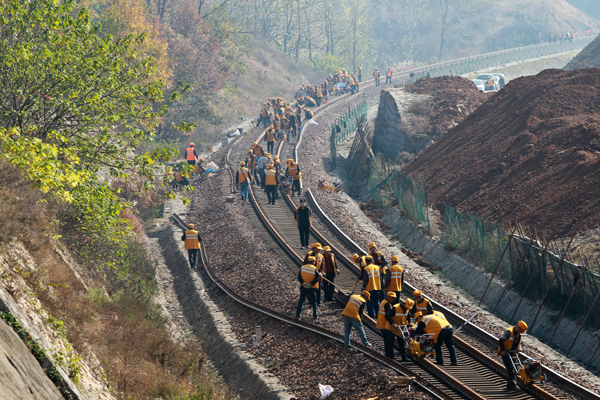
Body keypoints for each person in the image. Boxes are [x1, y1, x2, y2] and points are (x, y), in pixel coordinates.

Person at [498, 321, 528, 390]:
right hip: (506, 353)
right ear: (519, 328)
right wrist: (503, 350)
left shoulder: (518, 334)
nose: (522, 332)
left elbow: (517, 342)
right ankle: (512, 385)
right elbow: (501, 340)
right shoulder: (509, 332)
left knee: (515, 368)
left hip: (513, 352)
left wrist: (519, 348)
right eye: (522, 330)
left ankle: (510, 386)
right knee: (511, 369)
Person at [382, 296, 414, 361]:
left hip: (400, 329)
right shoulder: (395, 308)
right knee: (390, 343)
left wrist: (410, 322)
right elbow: (387, 315)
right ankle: (390, 357)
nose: (407, 308)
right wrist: (393, 323)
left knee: (402, 343)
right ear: (404, 304)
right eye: (407, 307)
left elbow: (409, 316)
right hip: (391, 328)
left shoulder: (407, 309)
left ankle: (404, 357)